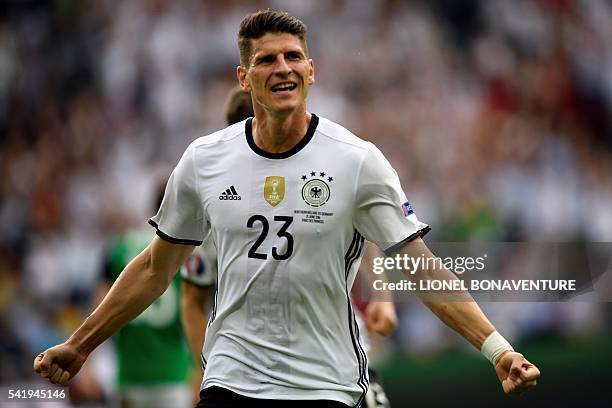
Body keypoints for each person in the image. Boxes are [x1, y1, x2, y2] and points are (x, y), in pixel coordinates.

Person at [34, 9, 540, 408]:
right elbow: (152, 268)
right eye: (268, 60)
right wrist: (80, 345)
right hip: (232, 379)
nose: (283, 68)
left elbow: (420, 266)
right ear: (244, 77)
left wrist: (497, 349)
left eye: (294, 57)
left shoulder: (357, 161)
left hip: (325, 383)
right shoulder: (204, 160)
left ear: (312, 70)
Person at [180, 85, 397, 407]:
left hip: (333, 366)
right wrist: (207, 368)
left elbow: (364, 240)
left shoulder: (318, 185)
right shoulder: (218, 205)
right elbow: (191, 298)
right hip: (247, 376)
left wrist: (383, 297)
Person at [95, 182, 194, 408]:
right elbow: (193, 310)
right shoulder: (189, 251)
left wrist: (89, 361)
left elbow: (100, 307)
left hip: (129, 373)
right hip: (173, 373)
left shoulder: (119, 247)